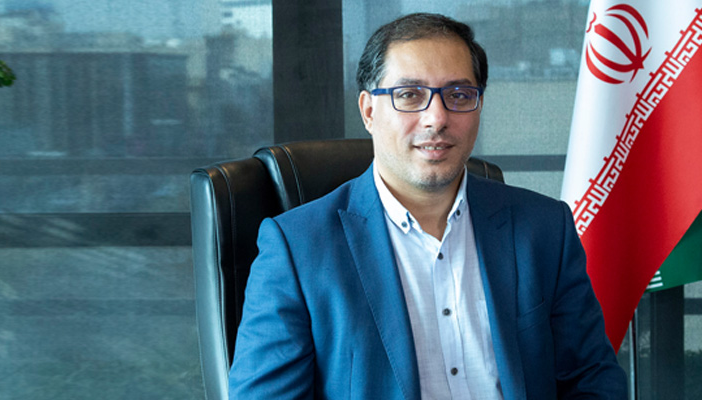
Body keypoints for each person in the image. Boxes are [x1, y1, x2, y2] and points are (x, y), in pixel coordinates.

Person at [228, 12, 627, 399]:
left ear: (479, 106)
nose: (436, 118)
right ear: (368, 111)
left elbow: (591, 382)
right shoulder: (298, 248)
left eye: (458, 95)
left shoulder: (544, 229)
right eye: (409, 95)